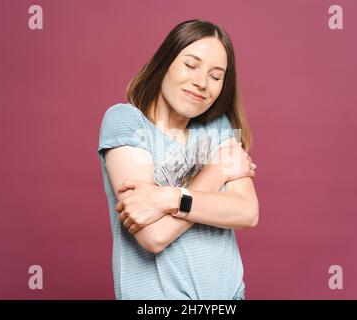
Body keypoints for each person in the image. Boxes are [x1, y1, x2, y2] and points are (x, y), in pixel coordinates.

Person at [97, 19, 259, 300]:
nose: (201, 82)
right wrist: (217, 171)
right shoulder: (125, 121)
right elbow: (154, 235)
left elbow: (247, 213)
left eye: (216, 75)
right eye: (191, 65)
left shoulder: (217, 126)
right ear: (165, 62)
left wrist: (168, 199)